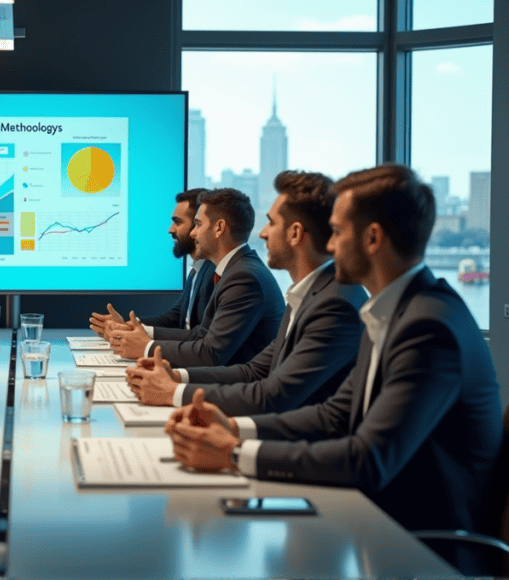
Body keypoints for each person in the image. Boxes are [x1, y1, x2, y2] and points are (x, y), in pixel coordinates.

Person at [166, 164, 501, 538]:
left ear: (372, 238)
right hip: (375, 521)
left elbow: (367, 458)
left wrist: (232, 453)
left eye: (339, 232)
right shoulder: (395, 309)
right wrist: (232, 428)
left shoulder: (429, 327)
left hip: (422, 546)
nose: (328, 244)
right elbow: (335, 416)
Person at [126, 171, 367, 415]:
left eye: (271, 223)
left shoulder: (335, 304)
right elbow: (255, 371)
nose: (262, 233)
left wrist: (173, 392)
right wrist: (175, 376)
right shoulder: (310, 294)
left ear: (295, 233)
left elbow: (273, 395)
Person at [109, 188, 284, 367]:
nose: (194, 233)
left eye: (199, 224)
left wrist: (146, 347)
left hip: (234, 388)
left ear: (219, 228)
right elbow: (203, 335)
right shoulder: (234, 270)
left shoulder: (244, 277)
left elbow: (210, 353)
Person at [89, 188, 216, 339]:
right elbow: (175, 317)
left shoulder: (214, 272)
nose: (170, 230)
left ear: (197, 225)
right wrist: (127, 324)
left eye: (177, 222)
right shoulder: (198, 269)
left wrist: (139, 336)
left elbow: (203, 337)